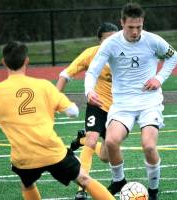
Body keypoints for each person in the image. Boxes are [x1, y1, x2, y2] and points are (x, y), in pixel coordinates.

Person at [0, 41, 115, 200]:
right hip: (53, 152)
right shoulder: (43, 86)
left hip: (24, 157)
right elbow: (73, 112)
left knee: (27, 184)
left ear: (3, 62)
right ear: (27, 60)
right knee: (84, 179)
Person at [85, 3, 177, 200]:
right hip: (122, 105)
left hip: (149, 102)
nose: (135, 32)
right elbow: (93, 70)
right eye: (130, 27)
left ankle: (153, 191)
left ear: (142, 23)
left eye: (139, 27)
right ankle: (119, 180)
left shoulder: (153, 40)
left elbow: (174, 56)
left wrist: (159, 78)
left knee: (149, 146)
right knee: (111, 141)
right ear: (122, 23)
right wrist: (89, 90)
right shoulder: (110, 44)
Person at [56, 22, 119, 200]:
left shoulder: (126, 53)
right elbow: (65, 75)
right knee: (92, 140)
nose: (112, 42)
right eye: (107, 39)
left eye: (115, 38)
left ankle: (81, 140)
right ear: (99, 41)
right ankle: (81, 189)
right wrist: (54, 100)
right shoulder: (91, 54)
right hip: (97, 105)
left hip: (119, 110)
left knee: (107, 156)